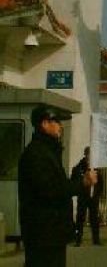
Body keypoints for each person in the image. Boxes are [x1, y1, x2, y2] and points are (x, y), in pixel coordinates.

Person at [18, 105, 97, 267]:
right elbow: (50, 190)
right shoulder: (36, 154)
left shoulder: (49, 151)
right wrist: (82, 183)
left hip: (51, 232)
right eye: (57, 121)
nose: (60, 126)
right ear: (44, 124)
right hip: (42, 232)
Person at [71, 146, 102, 246]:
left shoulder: (96, 168)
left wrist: (98, 193)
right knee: (80, 218)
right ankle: (78, 239)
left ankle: (96, 240)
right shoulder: (79, 167)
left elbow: (100, 182)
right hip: (83, 195)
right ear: (86, 155)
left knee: (94, 218)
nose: (90, 157)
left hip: (93, 196)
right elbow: (74, 180)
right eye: (89, 155)